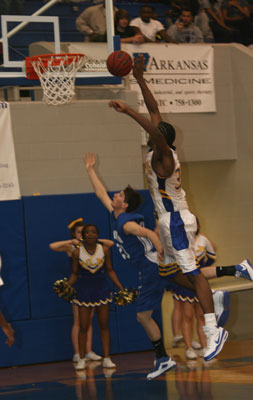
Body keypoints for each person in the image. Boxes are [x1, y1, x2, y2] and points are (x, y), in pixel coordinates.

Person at [109, 55, 230, 364]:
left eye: (155, 130)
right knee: (171, 275)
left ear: (161, 137)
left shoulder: (164, 155)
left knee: (190, 272)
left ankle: (213, 328)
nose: (152, 127)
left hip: (176, 220)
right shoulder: (159, 149)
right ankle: (213, 292)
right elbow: (155, 111)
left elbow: (155, 126)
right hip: (166, 221)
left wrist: (128, 112)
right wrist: (139, 79)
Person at [84, 152, 177, 380]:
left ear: (123, 204)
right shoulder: (118, 214)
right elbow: (100, 193)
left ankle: (163, 358)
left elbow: (147, 233)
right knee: (185, 283)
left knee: (143, 317)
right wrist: (90, 170)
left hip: (150, 267)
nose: (115, 194)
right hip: (153, 264)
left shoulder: (125, 222)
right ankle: (235, 270)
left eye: (120, 195)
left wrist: (160, 250)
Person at [50, 218, 114, 364]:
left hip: (95, 287)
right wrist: (70, 242)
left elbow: (110, 243)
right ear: (74, 234)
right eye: (79, 232)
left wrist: (94, 238)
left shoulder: (96, 246)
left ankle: (88, 350)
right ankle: (78, 353)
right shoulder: (73, 249)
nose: (82, 235)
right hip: (79, 287)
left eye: (84, 232)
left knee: (89, 321)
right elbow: (52, 246)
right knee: (79, 322)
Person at [69, 223, 124, 370]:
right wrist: (66, 287)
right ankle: (81, 358)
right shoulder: (77, 252)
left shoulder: (104, 249)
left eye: (94, 232)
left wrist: (120, 287)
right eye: (87, 232)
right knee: (83, 326)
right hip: (84, 290)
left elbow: (110, 270)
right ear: (83, 236)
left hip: (101, 289)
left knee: (104, 324)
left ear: (98, 235)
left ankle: (107, 358)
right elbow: (75, 274)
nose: (91, 234)